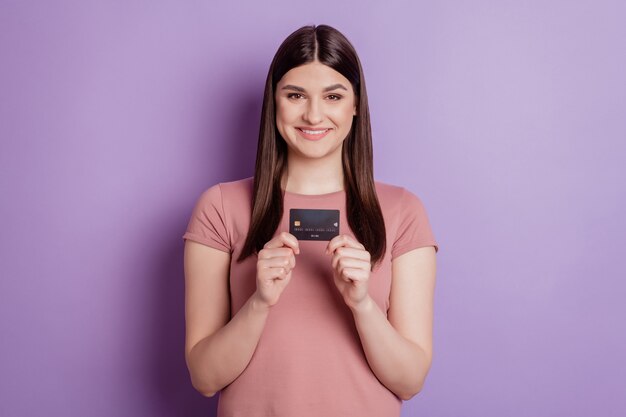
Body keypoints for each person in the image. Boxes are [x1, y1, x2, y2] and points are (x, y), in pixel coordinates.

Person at [182, 24, 439, 417]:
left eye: (333, 96)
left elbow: (410, 380)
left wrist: (362, 305)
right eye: (296, 95)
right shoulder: (220, 207)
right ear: (274, 102)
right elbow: (204, 377)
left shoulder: (403, 211)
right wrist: (259, 301)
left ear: (355, 105)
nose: (314, 114)